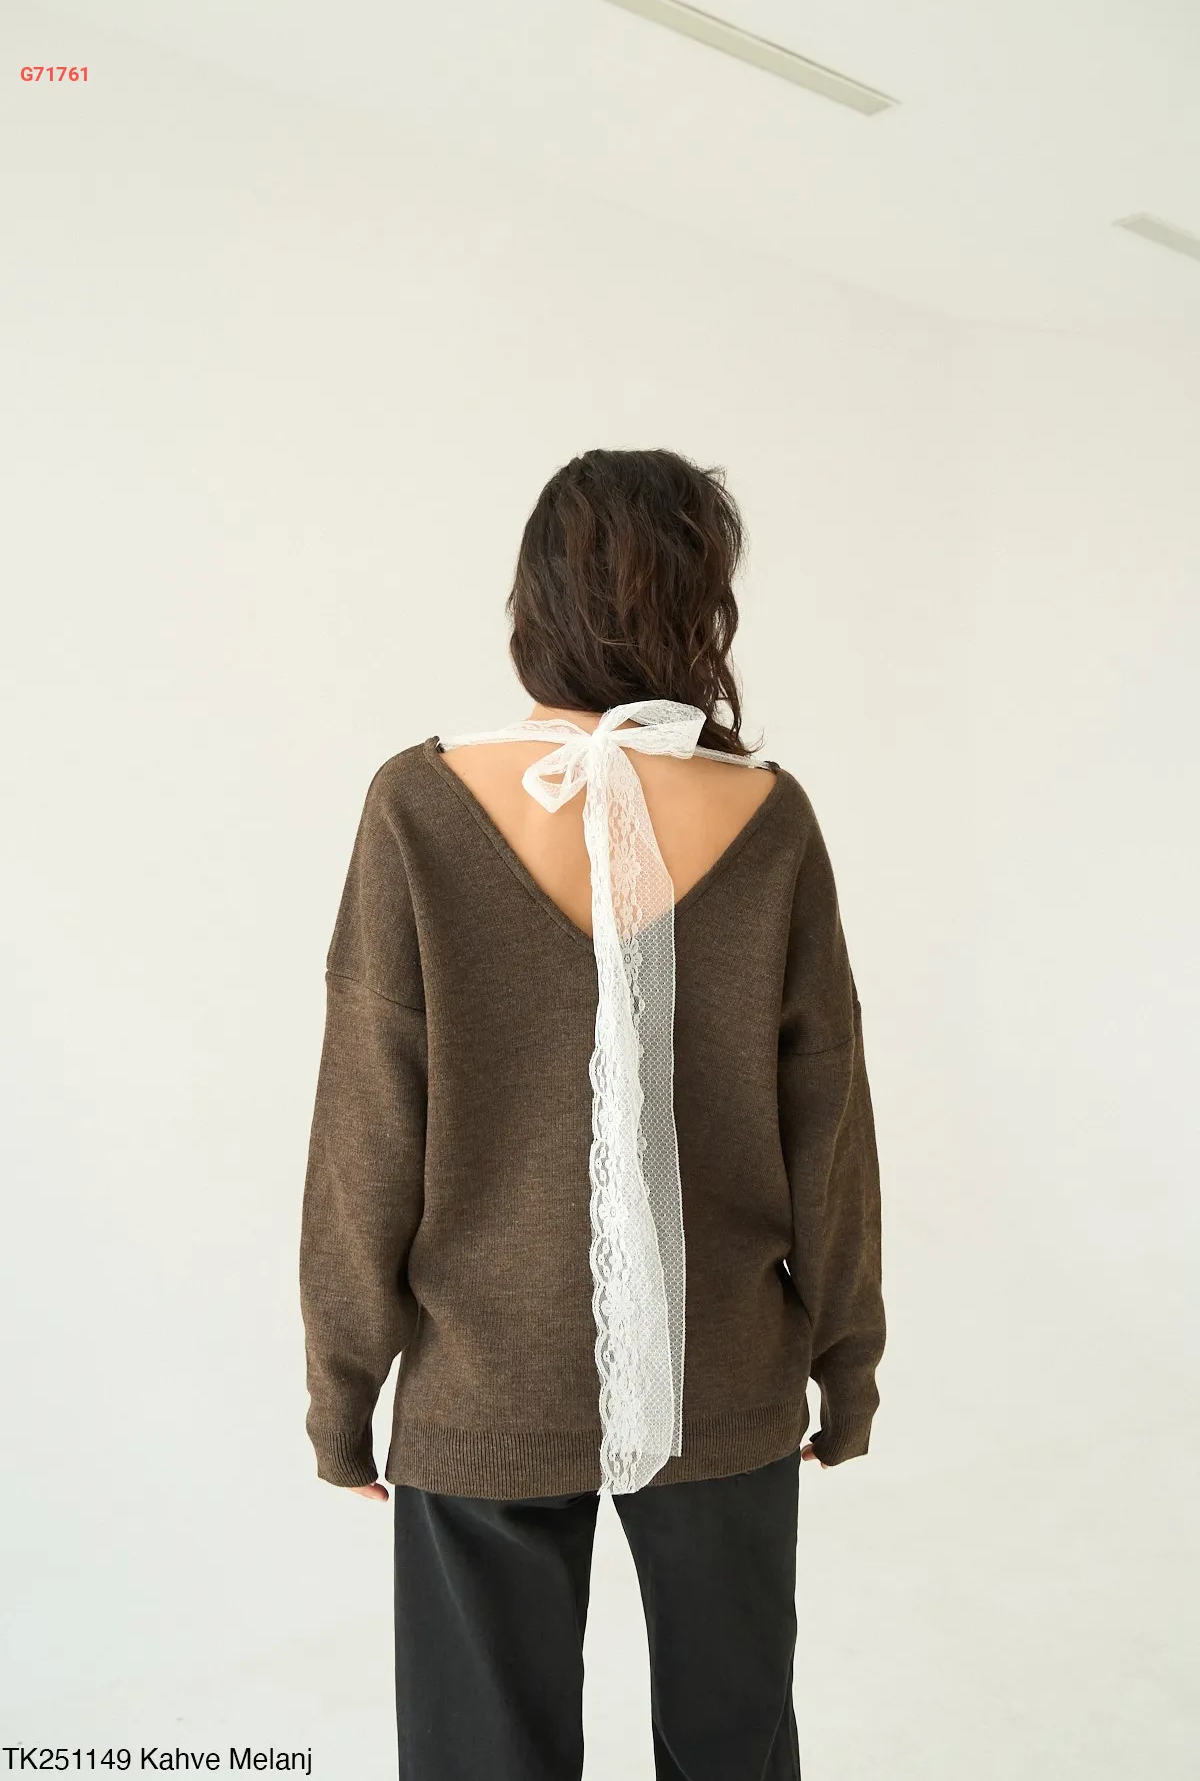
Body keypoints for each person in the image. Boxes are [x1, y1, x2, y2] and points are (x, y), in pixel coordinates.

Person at [298, 447, 886, 1781]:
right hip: (726, 1367)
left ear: (532, 601)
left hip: (483, 1375)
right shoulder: (768, 814)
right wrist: (846, 1362)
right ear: (703, 608)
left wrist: (344, 1388)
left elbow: (366, 1128)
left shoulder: (420, 804)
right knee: (736, 1748)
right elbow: (830, 1127)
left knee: (480, 1758)